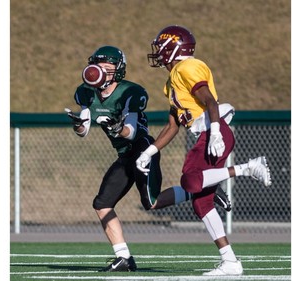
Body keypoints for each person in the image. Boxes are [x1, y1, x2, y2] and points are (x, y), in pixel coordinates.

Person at [67, 45, 233, 272]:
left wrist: (118, 129)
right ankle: (124, 257)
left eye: (108, 67)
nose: (102, 71)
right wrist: (78, 124)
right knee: (102, 204)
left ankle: (201, 189)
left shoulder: (130, 92)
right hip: (124, 155)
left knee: (151, 203)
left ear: (118, 70)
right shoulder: (86, 93)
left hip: (141, 149)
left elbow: (132, 131)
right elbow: (83, 130)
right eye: (100, 66)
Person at [136, 25, 272, 276]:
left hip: (211, 132)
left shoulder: (187, 67)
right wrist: (149, 152)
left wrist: (217, 132)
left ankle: (246, 168)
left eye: (161, 46)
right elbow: (172, 126)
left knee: (189, 179)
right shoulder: (172, 80)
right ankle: (230, 261)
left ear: (174, 47)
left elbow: (210, 100)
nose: (157, 52)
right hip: (205, 132)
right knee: (201, 205)